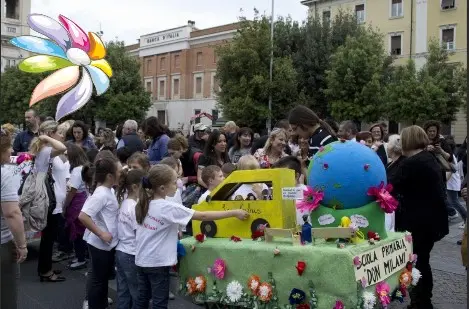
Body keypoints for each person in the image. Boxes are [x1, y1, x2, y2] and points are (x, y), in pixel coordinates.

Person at [133, 164, 249, 309]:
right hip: (157, 262)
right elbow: (203, 215)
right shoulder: (166, 207)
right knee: (159, 302)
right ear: (162, 188)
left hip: (142, 260)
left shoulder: (143, 203)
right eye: (174, 182)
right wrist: (233, 212)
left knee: (142, 297)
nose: (178, 185)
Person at [392, 125, 449, 309]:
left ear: (409, 140)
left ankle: (421, 301)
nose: (399, 142)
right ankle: (423, 299)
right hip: (430, 221)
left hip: (420, 223)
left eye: (401, 139)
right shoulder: (427, 158)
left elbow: (392, 184)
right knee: (422, 260)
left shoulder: (412, 163)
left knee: (419, 262)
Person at [78, 153, 123, 309]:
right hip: (100, 245)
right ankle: (95, 305)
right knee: (98, 280)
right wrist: (101, 233)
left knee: (102, 279)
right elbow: (83, 216)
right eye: (119, 172)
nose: (121, 174)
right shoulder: (102, 194)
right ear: (110, 176)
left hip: (106, 245)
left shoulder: (107, 190)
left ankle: (101, 303)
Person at [1, 129, 28, 309]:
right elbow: (12, 213)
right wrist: (22, 245)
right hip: (2, 243)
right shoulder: (5, 174)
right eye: (8, 147)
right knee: (5, 298)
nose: (11, 151)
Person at [115, 168, 146, 309]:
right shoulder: (135, 207)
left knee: (123, 290)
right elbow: (138, 233)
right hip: (132, 253)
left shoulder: (124, 203)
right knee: (138, 292)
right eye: (143, 186)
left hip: (121, 250)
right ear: (135, 187)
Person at [63, 144, 89, 270]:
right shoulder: (83, 167)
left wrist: (65, 205)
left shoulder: (76, 170)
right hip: (83, 201)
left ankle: (81, 258)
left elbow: (72, 191)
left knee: (77, 232)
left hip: (76, 204)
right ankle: (81, 256)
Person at [272, 156, 308, 225]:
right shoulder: (271, 192)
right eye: (276, 175)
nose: (278, 179)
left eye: (283, 175)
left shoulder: (307, 192)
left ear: (296, 176)